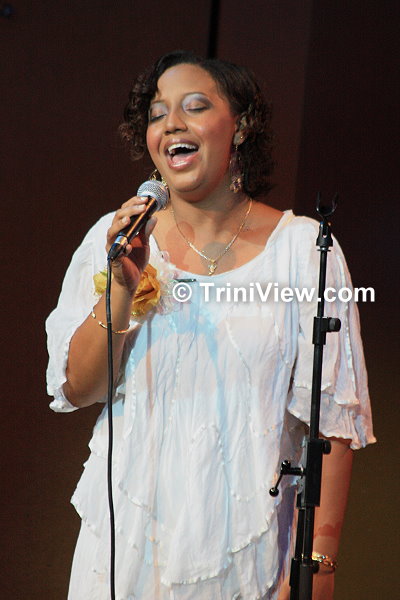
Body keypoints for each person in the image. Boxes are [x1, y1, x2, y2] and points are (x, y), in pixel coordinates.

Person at [46, 50, 375, 600]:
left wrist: (318, 568)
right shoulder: (117, 238)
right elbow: (80, 387)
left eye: (195, 107)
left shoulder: (304, 250)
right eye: (157, 113)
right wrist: (122, 288)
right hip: (125, 549)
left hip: (248, 553)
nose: (172, 123)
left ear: (240, 126)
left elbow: (333, 425)